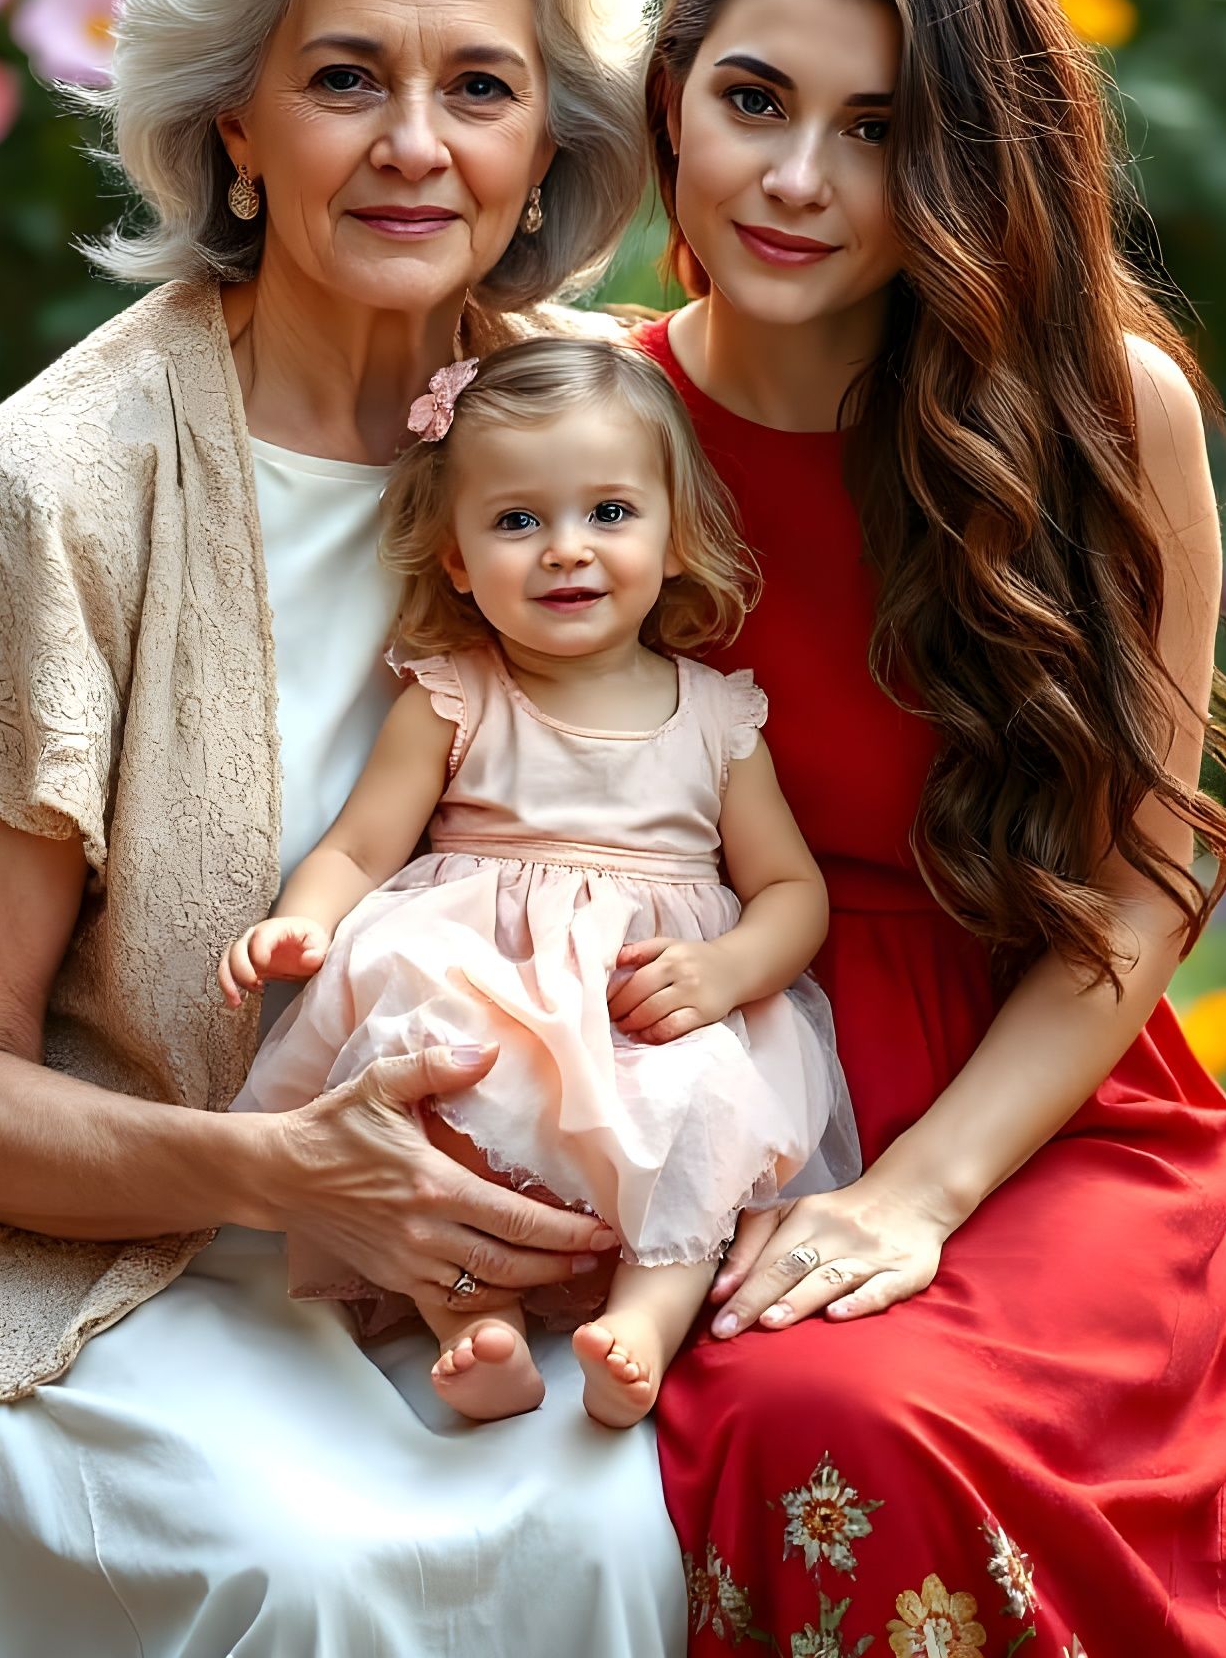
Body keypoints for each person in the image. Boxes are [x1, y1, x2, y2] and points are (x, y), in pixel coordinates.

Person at [0, 0, 691, 1655]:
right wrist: (279, 1174)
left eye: (480, 85)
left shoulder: (604, 443)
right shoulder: (55, 485)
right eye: (346, 76)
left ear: (547, 146)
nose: (416, 146)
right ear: (233, 124)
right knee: (320, 1586)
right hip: (122, 1292)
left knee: (631, 1534)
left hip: (483, 1306)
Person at [632, 0, 1226, 1656]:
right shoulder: (578, 432)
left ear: (963, 159)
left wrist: (922, 1186)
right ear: (670, 102)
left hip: (1031, 1097)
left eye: (876, 128)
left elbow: (1149, 860)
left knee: (833, 1417)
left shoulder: (1100, 411)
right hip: (684, 1079)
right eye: (754, 101)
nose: (797, 179)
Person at [221, 336, 859, 1427]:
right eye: (518, 520)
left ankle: (645, 1325)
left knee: (704, 1116)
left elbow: (793, 889)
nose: (567, 550)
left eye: (610, 512)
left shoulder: (717, 715)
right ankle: (474, 1313)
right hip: (495, 993)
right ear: (459, 558)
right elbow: (362, 846)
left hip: (643, 1015)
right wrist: (301, 922)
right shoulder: (455, 694)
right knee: (429, 1096)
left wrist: (723, 970)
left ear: (672, 533)